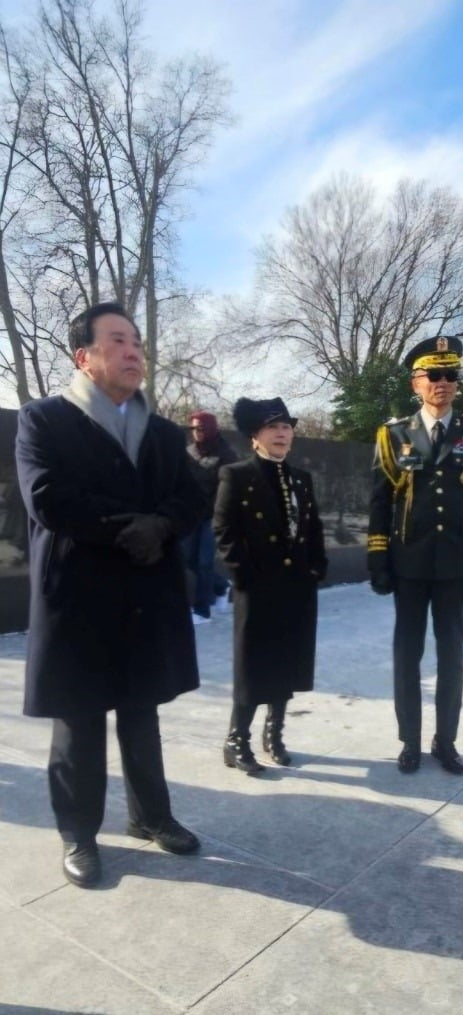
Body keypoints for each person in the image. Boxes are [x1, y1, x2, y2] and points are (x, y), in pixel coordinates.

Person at [15, 301, 205, 889]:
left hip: (146, 591)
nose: (134, 353)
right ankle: (79, 834)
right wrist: (132, 527)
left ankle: (151, 816)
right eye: (118, 341)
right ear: (84, 356)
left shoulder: (165, 432)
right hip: (77, 594)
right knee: (80, 718)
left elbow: (193, 497)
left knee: (141, 710)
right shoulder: (45, 420)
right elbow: (47, 497)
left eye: (138, 344)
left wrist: (163, 525)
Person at [368, 336, 463, 775]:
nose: (443, 383)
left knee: (452, 656)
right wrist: (378, 559)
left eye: (451, 375)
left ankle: (446, 741)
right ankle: (409, 741)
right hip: (408, 565)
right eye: (434, 375)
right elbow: (380, 501)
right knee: (407, 655)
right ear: (416, 383)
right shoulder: (393, 435)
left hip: (456, 566)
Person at [213, 397, 327, 773]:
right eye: (272, 427)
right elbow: (224, 530)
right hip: (258, 585)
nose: (282, 433)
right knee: (252, 665)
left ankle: (273, 734)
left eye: (286, 427)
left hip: (296, 587)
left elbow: (312, 528)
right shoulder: (238, 475)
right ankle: (236, 739)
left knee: (286, 662)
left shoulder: (301, 478)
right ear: (255, 438)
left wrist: (315, 567)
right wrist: (242, 574)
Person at [184, 410, 238, 624]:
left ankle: (202, 610)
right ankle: (221, 586)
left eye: (201, 428)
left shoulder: (225, 453)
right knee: (188, 559)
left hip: (214, 516)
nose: (197, 432)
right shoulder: (188, 452)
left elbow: (230, 487)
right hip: (191, 514)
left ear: (211, 429)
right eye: (193, 428)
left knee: (205, 561)